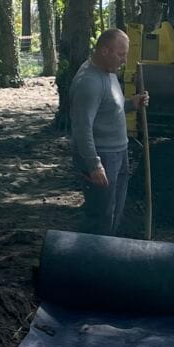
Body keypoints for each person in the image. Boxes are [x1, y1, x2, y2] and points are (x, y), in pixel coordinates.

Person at [68, 28, 147, 236]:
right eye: (121, 54)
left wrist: (131, 104)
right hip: (102, 156)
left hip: (119, 152)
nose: (124, 60)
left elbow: (109, 107)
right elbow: (81, 127)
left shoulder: (108, 72)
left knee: (113, 212)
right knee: (100, 216)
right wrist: (94, 164)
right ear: (104, 51)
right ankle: (89, 253)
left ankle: (105, 249)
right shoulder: (89, 82)